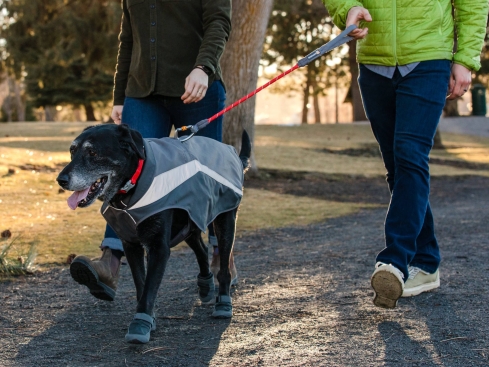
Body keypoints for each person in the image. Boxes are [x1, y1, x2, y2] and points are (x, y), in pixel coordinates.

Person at [323, 0, 487, 308]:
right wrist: (348, 9)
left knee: (410, 154)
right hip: (374, 63)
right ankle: (425, 262)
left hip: (428, 60)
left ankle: (394, 261)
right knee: (397, 166)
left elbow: (472, 3)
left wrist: (465, 58)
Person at [69, 0, 236, 301]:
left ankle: (220, 255)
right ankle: (111, 260)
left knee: (209, 180)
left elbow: (219, 23)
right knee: (124, 174)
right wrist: (120, 95)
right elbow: (128, 38)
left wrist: (203, 67)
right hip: (142, 92)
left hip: (197, 89)